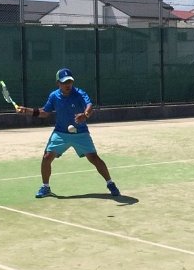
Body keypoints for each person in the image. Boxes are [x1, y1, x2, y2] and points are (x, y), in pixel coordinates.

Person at [17, 67, 121, 198]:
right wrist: (27, 111)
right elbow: (44, 112)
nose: (68, 85)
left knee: (94, 158)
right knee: (47, 157)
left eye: (70, 81)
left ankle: (110, 183)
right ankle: (45, 187)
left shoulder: (79, 93)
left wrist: (85, 115)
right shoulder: (54, 96)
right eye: (64, 82)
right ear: (58, 83)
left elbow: (89, 106)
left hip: (81, 133)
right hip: (60, 133)